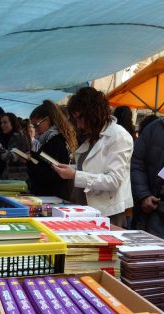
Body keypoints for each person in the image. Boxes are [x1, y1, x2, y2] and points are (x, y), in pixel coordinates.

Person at [53, 87, 133, 226]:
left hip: (106, 213)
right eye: (75, 119)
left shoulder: (119, 136)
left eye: (80, 119)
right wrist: (70, 169)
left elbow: (113, 180)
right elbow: (90, 168)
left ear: (94, 113)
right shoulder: (92, 135)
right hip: (83, 208)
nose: (78, 125)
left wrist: (74, 175)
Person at [131, 87, 164, 244]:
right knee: (156, 263)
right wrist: (144, 195)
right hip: (157, 213)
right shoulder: (157, 128)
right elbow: (136, 163)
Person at [27, 100, 77, 200]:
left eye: (37, 125)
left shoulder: (55, 141)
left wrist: (31, 161)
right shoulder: (51, 139)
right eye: (33, 126)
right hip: (52, 195)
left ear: (48, 120)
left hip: (52, 197)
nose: (35, 129)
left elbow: (48, 173)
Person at [0, 112, 30, 179]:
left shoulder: (18, 136)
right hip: (13, 179)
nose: (2, 125)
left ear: (13, 123)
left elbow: (11, 158)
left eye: (5, 122)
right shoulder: (9, 136)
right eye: (1, 123)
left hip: (18, 181)